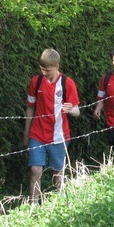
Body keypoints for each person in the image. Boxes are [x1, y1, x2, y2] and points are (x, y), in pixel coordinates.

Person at [23, 48, 80, 202]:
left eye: (47, 70)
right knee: (35, 170)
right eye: (41, 69)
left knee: (58, 174)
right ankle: (34, 205)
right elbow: (30, 107)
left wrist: (70, 109)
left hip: (59, 136)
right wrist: (26, 133)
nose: (44, 73)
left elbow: (77, 111)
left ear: (57, 67)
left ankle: (60, 204)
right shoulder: (36, 82)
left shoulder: (67, 83)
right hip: (37, 134)